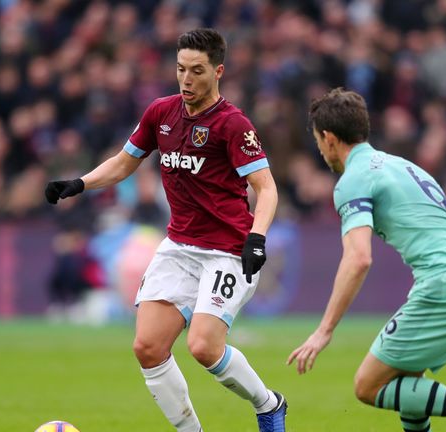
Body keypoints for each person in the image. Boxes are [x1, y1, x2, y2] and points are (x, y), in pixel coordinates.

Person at [45, 28, 286, 432]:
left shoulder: (232, 125)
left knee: (203, 346)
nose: (186, 79)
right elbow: (124, 162)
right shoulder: (161, 113)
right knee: (148, 347)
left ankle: (268, 405)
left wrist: (256, 239)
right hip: (178, 247)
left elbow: (267, 188)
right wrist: (80, 183)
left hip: (228, 251)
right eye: (180, 70)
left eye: (197, 71)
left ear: (218, 71)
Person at [287, 88, 446, 432]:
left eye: (319, 141)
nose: (320, 150)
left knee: (368, 386)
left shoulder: (352, 180)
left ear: (330, 138)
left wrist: (324, 330)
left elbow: (359, 258)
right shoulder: (403, 165)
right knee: (405, 381)